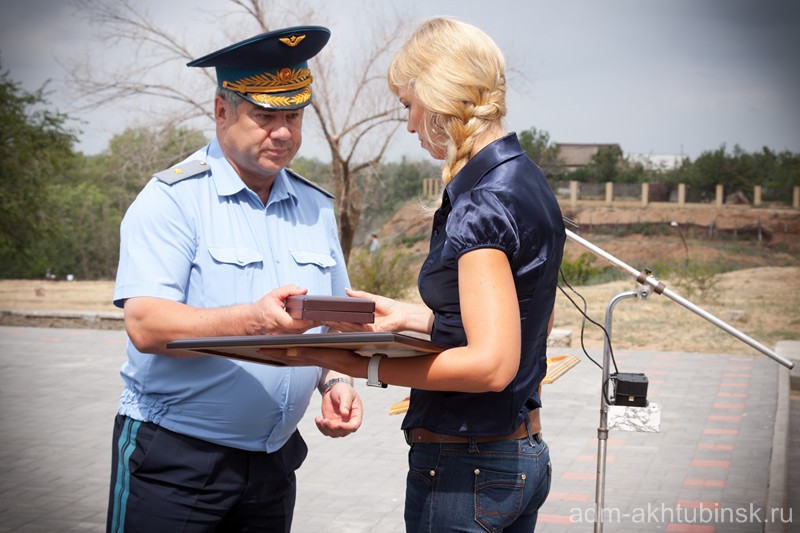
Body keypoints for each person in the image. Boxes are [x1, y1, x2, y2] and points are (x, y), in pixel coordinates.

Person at [262, 17, 566, 532]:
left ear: (439, 93)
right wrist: (415, 319)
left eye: (409, 105)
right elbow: (527, 315)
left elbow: (491, 366)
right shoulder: (525, 178)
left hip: (466, 468)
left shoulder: (481, 204)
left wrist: (357, 364)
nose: (407, 125)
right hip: (518, 454)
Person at [106, 26, 362, 533]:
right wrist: (253, 320)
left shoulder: (315, 207)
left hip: (273, 465)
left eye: (293, 115)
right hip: (176, 461)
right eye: (265, 116)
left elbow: (335, 320)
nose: (284, 132)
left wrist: (337, 380)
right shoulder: (172, 200)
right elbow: (145, 325)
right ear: (222, 111)